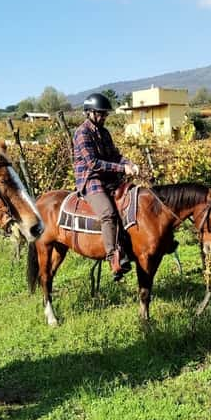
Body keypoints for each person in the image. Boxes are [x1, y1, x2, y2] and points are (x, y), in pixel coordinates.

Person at [72, 92, 140, 280]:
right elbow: (93, 163)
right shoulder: (81, 133)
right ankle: (113, 258)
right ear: (89, 113)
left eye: (105, 114)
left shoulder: (104, 132)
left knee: (131, 202)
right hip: (91, 179)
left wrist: (129, 164)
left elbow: (115, 155)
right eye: (100, 114)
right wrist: (122, 168)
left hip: (108, 177)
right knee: (108, 213)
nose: (103, 117)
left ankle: (129, 247)